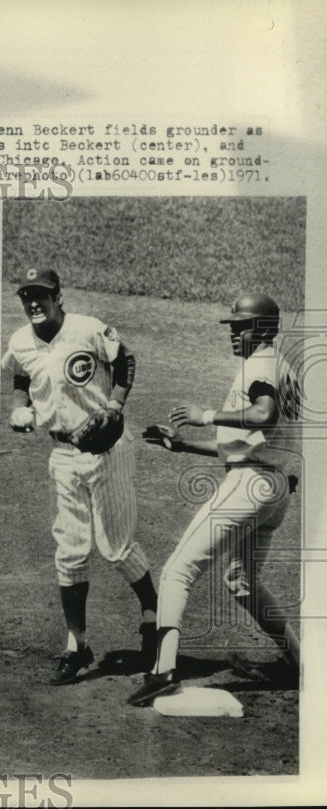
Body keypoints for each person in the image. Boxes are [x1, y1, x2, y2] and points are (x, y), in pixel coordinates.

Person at [128, 292, 301, 706]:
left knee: (176, 571)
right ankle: (302, 662)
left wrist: (205, 414)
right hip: (274, 489)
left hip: (250, 485)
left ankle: (162, 671)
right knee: (241, 582)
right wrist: (184, 446)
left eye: (239, 326)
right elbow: (245, 442)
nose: (232, 333)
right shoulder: (282, 366)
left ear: (259, 329)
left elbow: (263, 415)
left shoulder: (259, 364)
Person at [2, 267, 157, 686]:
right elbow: (20, 372)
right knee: (70, 552)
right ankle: (77, 644)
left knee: (117, 549)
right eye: (27, 296)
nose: (34, 302)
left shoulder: (87, 329)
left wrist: (115, 404)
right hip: (62, 454)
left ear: (57, 296)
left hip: (107, 452)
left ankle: (152, 615)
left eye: (42, 295)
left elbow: (125, 358)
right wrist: (21, 407)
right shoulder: (19, 340)